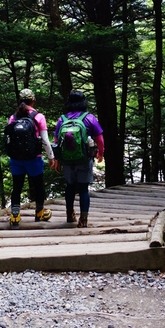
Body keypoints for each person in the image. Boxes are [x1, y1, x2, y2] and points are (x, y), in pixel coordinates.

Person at [54, 90, 104, 228]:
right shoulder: (89, 118)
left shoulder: (62, 119)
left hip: (67, 160)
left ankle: (70, 215)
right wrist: (100, 153)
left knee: (70, 187)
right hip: (84, 159)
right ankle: (83, 219)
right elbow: (99, 138)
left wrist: (57, 159)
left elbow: (56, 141)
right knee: (83, 189)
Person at [8, 88, 57, 229]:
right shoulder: (38, 117)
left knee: (16, 187)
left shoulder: (13, 117)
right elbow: (45, 140)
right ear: (33, 100)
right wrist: (51, 157)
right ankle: (40, 212)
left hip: (16, 159)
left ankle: (15, 216)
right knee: (38, 186)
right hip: (33, 158)